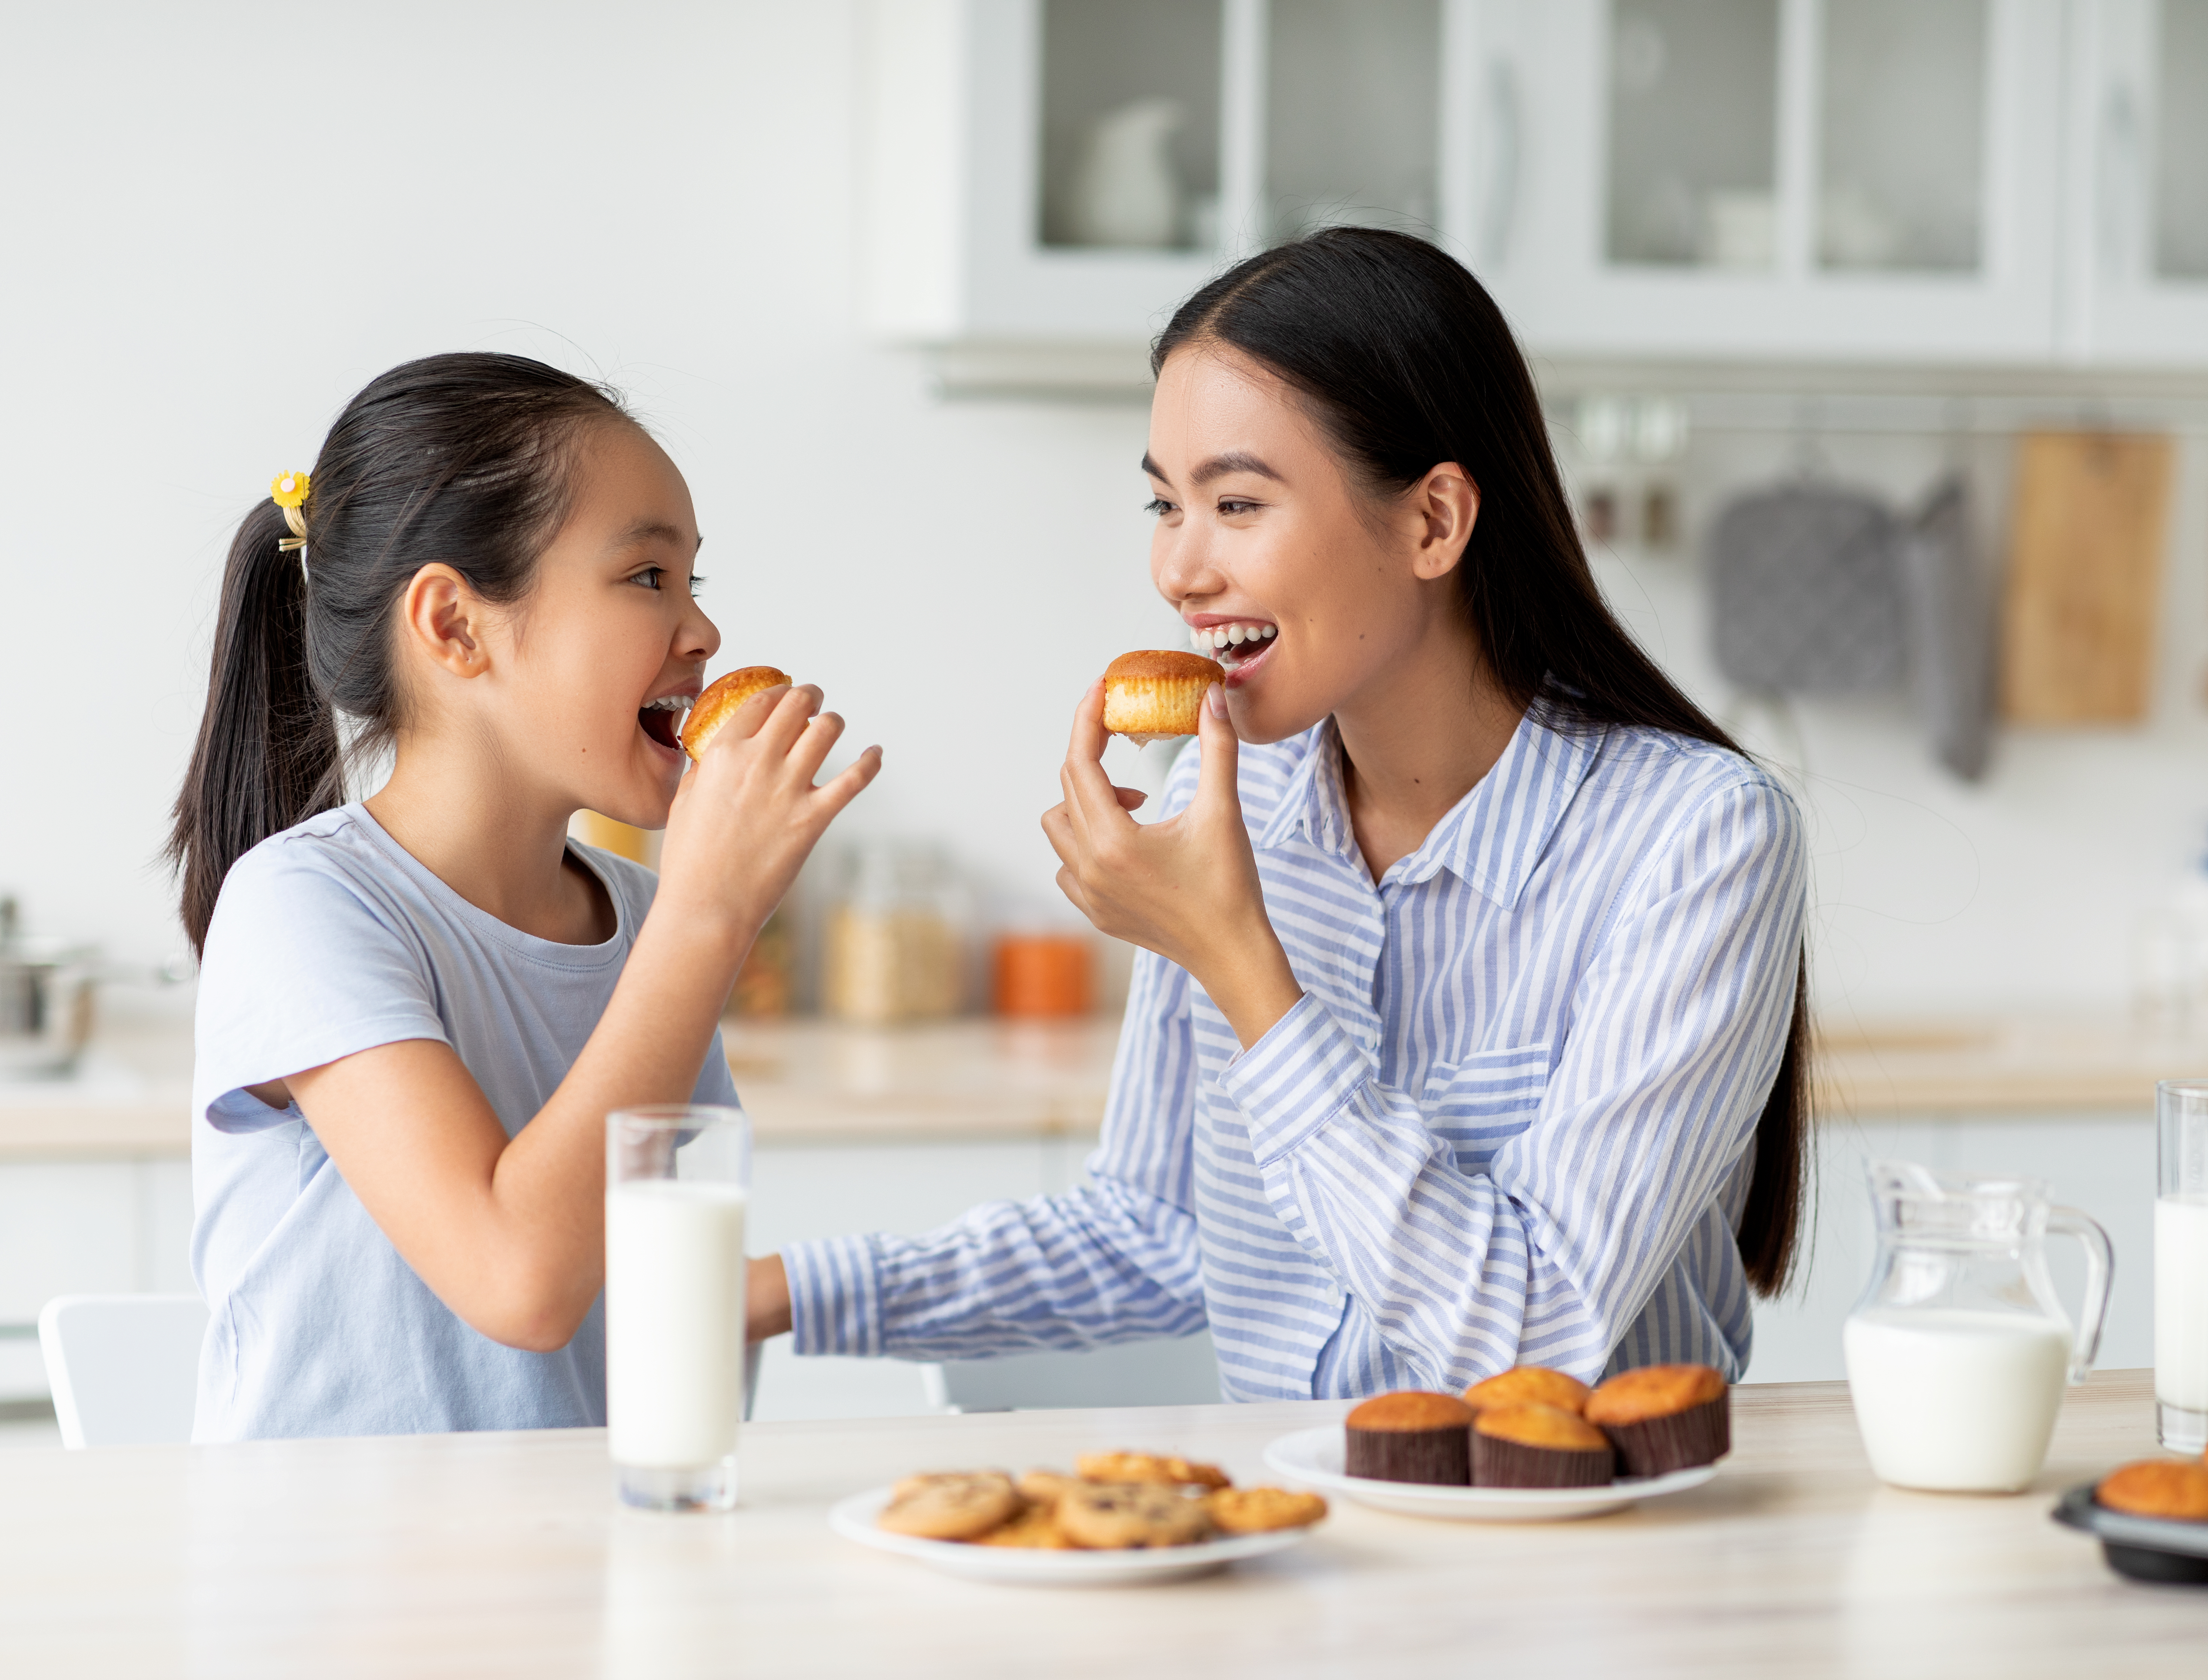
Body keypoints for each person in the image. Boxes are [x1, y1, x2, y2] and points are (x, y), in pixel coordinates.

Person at [746, 230, 1808, 1396]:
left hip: (1584, 1548)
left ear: (1433, 524)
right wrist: (780, 1293)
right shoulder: (1230, 803)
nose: (1178, 571)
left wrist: (1238, 961)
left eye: (1236, 503)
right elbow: (1157, 1230)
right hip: (1304, 1536)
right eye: (1166, 506)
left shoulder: (1700, 839)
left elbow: (1535, 1339)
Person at [170, 352, 876, 1439]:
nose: (703, 633)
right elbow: (522, 1283)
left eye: (696, 583)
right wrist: (712, 914)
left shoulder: (644, 917)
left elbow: (672, 1303)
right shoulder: (302, 908)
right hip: (336, 1587)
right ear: (454, 625)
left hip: (584, 1566)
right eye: (648, 578)